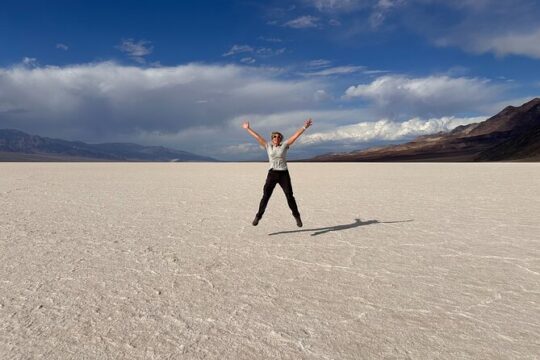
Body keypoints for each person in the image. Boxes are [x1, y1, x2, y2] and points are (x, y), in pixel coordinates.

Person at [242, 118, 313, 227]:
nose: (277, 138)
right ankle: (258, 216)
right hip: (272, 174)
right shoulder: (268, 146)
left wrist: (305, 127)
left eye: (279, 136)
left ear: (281, 139)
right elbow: (257, 137)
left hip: (283, 174)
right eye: (275, 136)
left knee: (289, 196)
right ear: (272, 138)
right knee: (266, 196)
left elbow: (295, 136)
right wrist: (248, 129)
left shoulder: (284, 145)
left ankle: (297, 216)